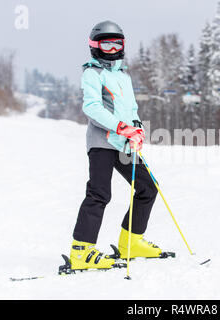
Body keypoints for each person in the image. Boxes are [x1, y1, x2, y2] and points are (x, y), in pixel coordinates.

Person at [69, 21, 162, 270]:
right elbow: (91, 107)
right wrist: (121, 127)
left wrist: (137, 129)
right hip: (102, 143)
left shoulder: (123, 76)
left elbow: (131, 109)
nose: (111, 49)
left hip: (124, 144)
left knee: (148, 188)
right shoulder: (92, 73)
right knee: (99, 194)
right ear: (94, 47)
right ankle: (82, 251)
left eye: (116, 44)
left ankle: (130, 242)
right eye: (105, 44)